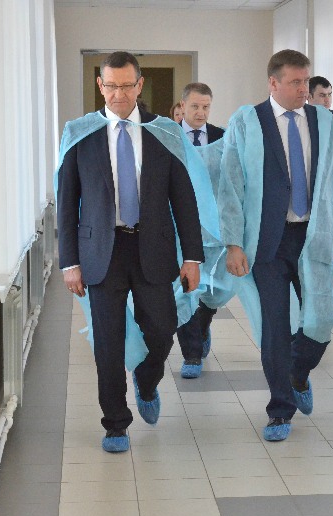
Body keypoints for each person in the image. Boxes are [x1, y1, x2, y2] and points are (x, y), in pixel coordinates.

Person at [57, 51, 205, 453]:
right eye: (110, 86)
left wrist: (192, 257)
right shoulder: (80, 133)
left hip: (153, 246)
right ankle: (115, 424)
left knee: (162, 328)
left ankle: (147, 377)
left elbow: (184, 199)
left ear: (139, 85)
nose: (118, 94)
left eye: (126, 86)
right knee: (108, 342)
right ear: (100, 85)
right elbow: (67, 202)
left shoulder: (163, 133)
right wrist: (69, 262)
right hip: (101, 251)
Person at [218, 49, 333, 442]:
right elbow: (230, 185)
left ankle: (298, 372)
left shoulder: (326, 123)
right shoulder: (247, 122)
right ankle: (279, 410)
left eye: (306, 81)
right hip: (266, 241)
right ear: (273, 83)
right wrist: (233, 243)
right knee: (275, 327)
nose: (304, 89)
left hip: (315, 236)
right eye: (295, 82)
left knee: (322, 319)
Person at [175, 82, 226, 379]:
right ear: (182, 106)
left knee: (212, 290)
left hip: (212, 227)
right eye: (195, 106)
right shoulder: (168, 137)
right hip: (177, 226)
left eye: (206, 107)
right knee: (184, 290)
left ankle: (204, 324)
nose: (201, 112)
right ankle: (192, 354)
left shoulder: (222, 137)